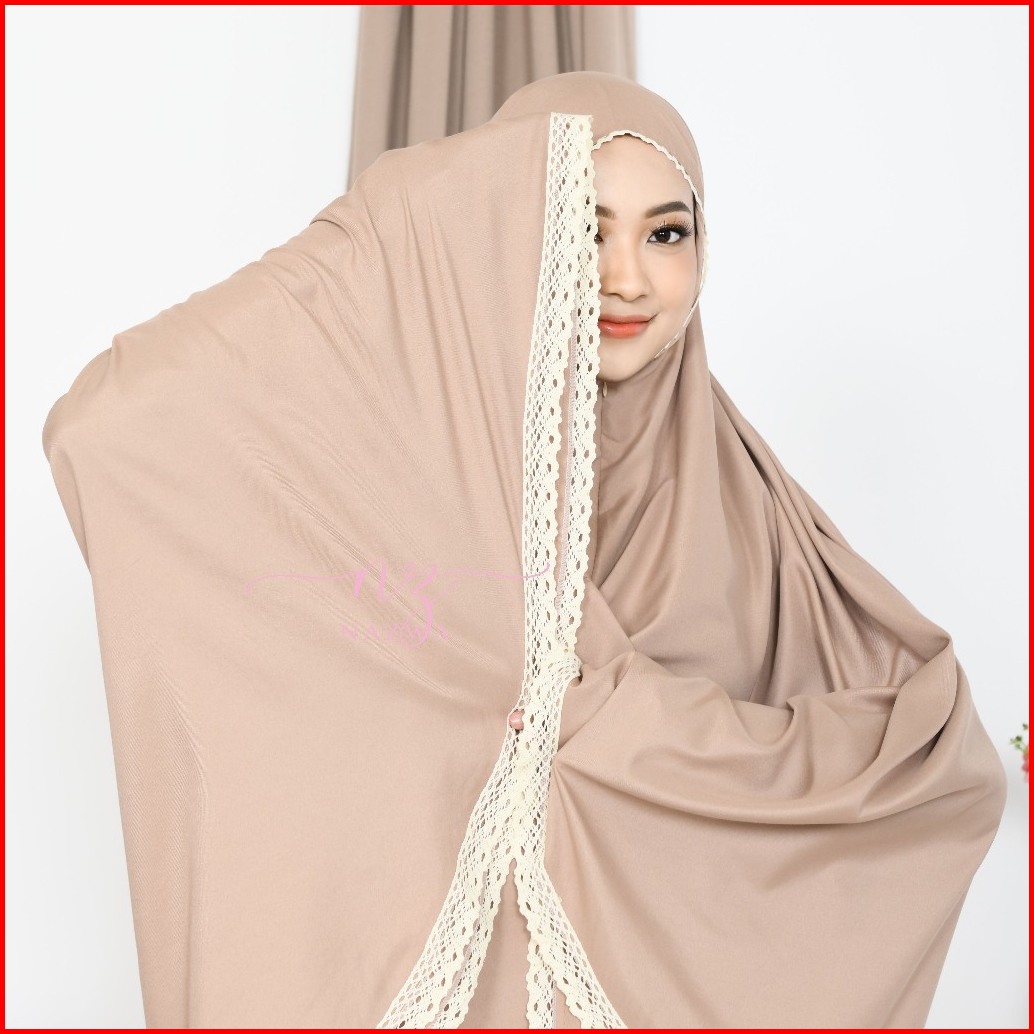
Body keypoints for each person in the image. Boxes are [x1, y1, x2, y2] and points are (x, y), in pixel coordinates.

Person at [41, 71, 1006, 1029]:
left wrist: (614, 725)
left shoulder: (750, 508)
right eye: (583, 227)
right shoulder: (423, 482)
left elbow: (923, 763)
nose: (626, 278)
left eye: (666, 234)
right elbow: (111, 428)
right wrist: (404, 223)